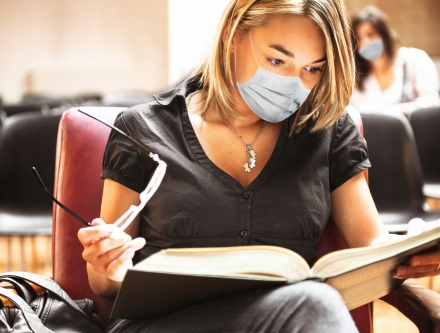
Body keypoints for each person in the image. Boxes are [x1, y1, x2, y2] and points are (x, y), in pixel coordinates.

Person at [78, 0, 440, 332]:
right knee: (314, 303)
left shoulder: (328, 131)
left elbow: (371, 246)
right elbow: (105, 280)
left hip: (284, 320)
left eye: (312, 69)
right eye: (277, 61)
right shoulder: (143, 129)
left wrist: (411, 251)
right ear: (232, 33)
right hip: (165, 324)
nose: (294, 84)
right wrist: (106, 265)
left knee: (312, 304)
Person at [350, 5, 440, 114]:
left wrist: (395, 111)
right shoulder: (359, 77)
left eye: (371, 34)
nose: (365, 42)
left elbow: (432, 102)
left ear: (384, 35)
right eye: (359, 38)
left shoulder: (415, 59)